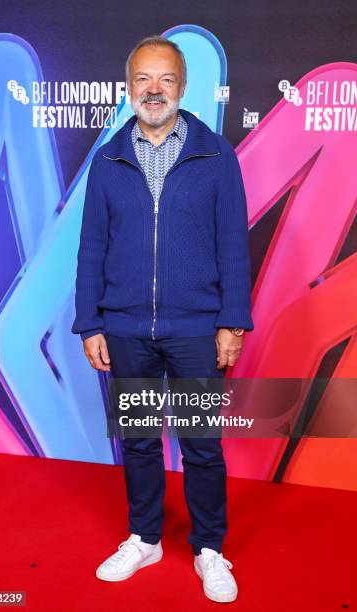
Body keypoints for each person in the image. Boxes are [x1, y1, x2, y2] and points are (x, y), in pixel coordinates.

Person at [71, 34, 254, 604]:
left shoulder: (215, 154)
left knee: (201, 442)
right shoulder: (107, 160)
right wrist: (91, 323)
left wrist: (232, 321)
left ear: (183, 86)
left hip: (198, 329)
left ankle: (209, 548)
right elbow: (91, 247)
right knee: (142, 441)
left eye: (166, 79)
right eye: (144, 80)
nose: (154, 90)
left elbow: (232, 244)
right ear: (129, 88)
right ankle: (145, 538)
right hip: (126, 329)